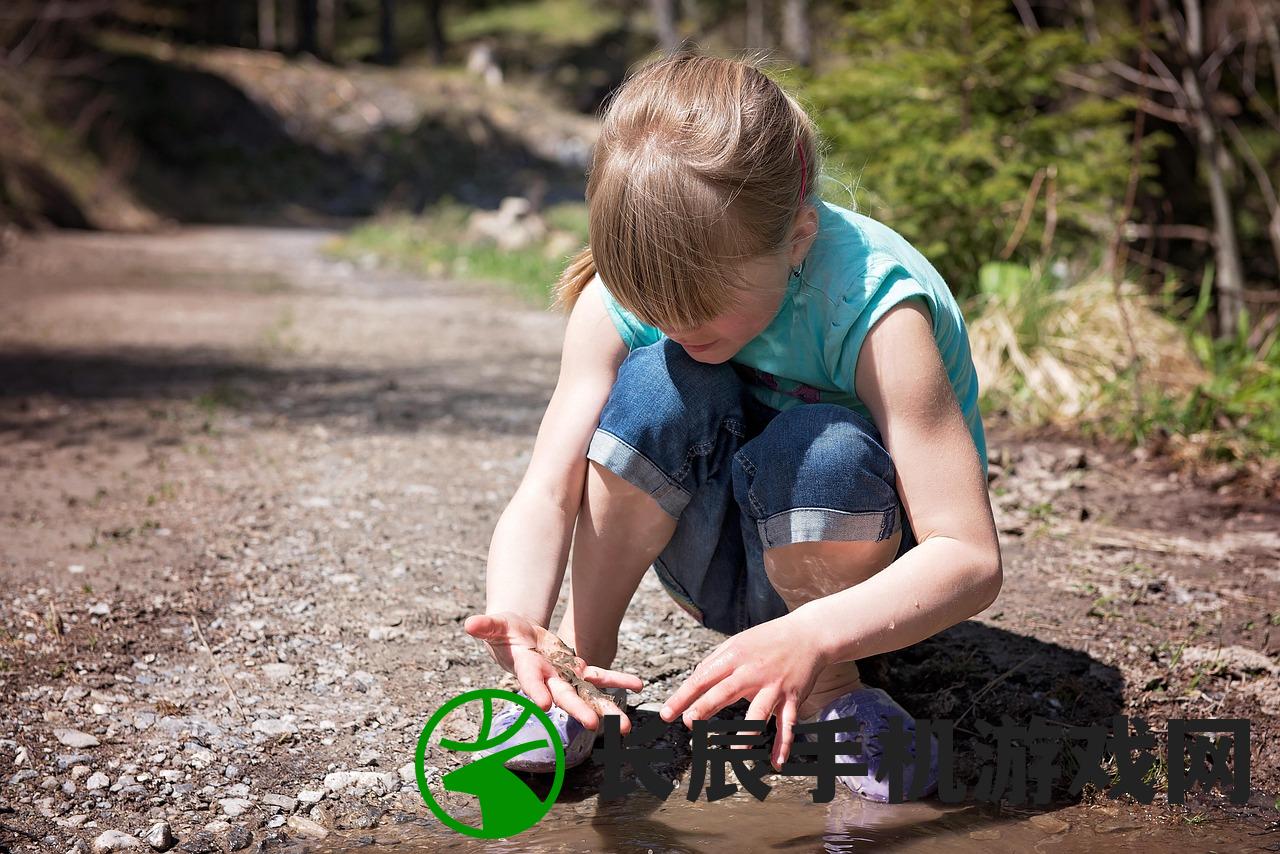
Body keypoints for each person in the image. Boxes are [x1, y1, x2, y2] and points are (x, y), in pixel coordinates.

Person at [462, 51, 1002, 802]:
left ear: (798, 238)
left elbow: (968, 556)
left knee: (826, 447)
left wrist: (814, 634)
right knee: (655, 384)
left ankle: (830, 691)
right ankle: (577, 679)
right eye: (652, 303)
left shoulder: (876, 306)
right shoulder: (628, 295)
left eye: (703, 301)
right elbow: (546, 492)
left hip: (861, 589)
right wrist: (523, 618)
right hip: (712, 560)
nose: (676, 321)